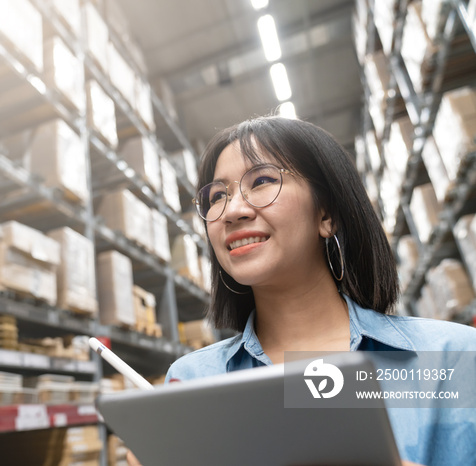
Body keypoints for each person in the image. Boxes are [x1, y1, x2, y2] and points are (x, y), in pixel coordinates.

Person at [144, 116, 476, 466]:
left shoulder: (453, 358)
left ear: (327, 214)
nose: (233, 210)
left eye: (261, 181)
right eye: (217, 195)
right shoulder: (191, 381)